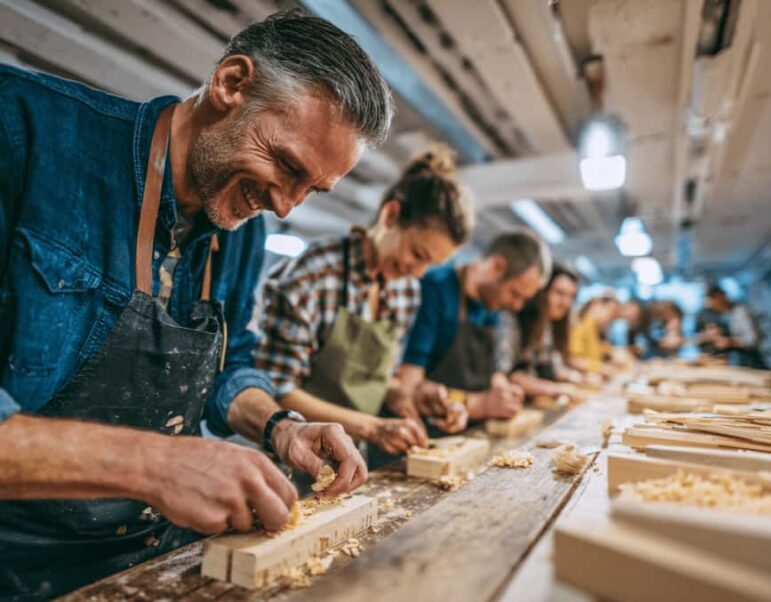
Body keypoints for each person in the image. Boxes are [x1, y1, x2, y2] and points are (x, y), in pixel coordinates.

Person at [0, 11, 393, 597]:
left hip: (152, 555)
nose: (286, 206)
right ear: (231, 83)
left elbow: (231, 369)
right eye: (286, 164)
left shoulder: (244, 227)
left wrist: (280, 426)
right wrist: (154, 464)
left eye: (312, 189)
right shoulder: (22, 128)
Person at [255, 146, 472, 457]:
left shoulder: (405, 290)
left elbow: (378, 381)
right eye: (417, 254)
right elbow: (277, 389)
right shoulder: (315, 273)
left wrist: (413, 396)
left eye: (429, 265)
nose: (418, 271)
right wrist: (372, 428)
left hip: (351, 457)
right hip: (290, 456)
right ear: (391, 215)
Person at [396, 231, 551, 425]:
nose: (517, 306)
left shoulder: (492, 304)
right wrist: (482, 405)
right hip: (427, 427)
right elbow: (408, 382)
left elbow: (490, 370)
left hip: (468, 426)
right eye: (514, 293)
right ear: (497, 266)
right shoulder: (435, 288)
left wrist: (502, 390)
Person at [508, 262, 584, 398]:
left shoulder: (547, 326)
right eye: (559, 293)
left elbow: (550, 368)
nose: (565, 303)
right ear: (541, 291)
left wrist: (575, 377)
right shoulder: (515, 320)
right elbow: (511, 374)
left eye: (571, 297)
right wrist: (554, 389)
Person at [697, 285, 763, 367]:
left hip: (751, 362)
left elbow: (753, 340)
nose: (713, 308)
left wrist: (730, 342)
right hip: (738, 363)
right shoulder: (725, 315)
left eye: (713, 304)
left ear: (719, 297)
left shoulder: (741, 312)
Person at [569, 293, 619, 375]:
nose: (611, 316)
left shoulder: (598, 328)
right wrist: (601, 367)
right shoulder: (581, 323)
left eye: (614, 314)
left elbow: (605, 351)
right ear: (596, 304)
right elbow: (573, 359)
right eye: (610, 310)